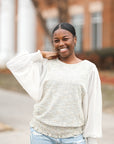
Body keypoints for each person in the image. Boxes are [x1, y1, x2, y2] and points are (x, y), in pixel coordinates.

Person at [7, 22, 102, 144]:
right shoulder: (46, 63)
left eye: (65, 39)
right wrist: (40, 54)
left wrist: (92, 140)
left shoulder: (89, 69)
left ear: (75, 40)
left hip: (73, 137)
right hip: (41, 135)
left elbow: (94, 107)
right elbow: (14, 64)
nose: (61, 43)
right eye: (56, 40)